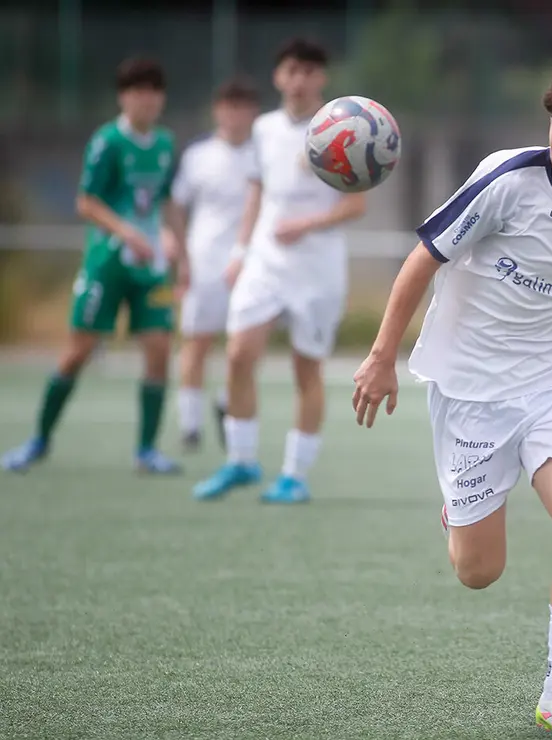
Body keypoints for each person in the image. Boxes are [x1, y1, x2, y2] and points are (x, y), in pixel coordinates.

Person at [351, 49, 552, 739]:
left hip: (551, 384)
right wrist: (381, 357)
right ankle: (459, 508)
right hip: (468, 390)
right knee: (478, 573)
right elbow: (422, 261)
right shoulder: (506, 180)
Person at [191, 38, 367, 504]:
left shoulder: (340, 129)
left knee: (306, 369)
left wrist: (307, 224)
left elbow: (356, 204)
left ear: (321, 79)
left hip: (317, 268)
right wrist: (240, 250)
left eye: (310, 71)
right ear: (278, 77)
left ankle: (294, 475)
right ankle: (241, 461)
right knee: (237, 355)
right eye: (292, 70)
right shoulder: (264, 129)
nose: (300, 79)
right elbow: (255, 192)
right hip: (265, 263)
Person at [3, 57, 186, 475]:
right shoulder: (107, 142)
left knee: (158, 351)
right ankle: (39, 440)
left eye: (155, 91)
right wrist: (127, 232)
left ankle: (146, 451)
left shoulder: (164, 144)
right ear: (123, 97)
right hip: (107, 264)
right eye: (139, 91)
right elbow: (86, 202)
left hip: (151, 268)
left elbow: (169, 203)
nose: (148, 99)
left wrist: (182, 253)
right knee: (77, 353)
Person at [168, 76, 260, 453]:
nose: (235, 114)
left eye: (242, 106)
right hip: (204, 263)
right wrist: (182, 254)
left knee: (241, 346)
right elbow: (175, 205)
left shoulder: (262, 154)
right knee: (197, 341)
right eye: (228, 106)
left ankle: (227, 405)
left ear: (253, 112)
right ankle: (189, 424)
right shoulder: (198, 156)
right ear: (217, 110)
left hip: (251, 264)